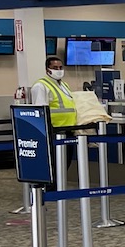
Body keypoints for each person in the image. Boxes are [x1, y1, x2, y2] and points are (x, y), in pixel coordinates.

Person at [30, 55, 78, 190]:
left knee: (66, 161)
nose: (59, 70)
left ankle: (59, 186)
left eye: (60, 67)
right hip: (54, 130)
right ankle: (50, 188)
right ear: (47, 70)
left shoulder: (64, 85)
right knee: (54, 162)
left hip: (69, 129)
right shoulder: (41, 86)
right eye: (55, 68)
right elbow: (40, 109)